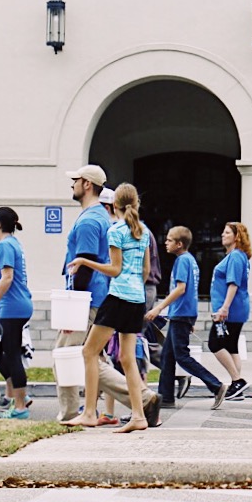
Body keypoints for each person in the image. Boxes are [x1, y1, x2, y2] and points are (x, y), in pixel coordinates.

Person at [71, 183, 156, 432]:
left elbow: (115, 269)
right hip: (136, 299)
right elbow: (146, 271)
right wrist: (134, 288)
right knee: (127, 359)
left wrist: (85, 260)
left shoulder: (116, 230)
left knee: (89, 352)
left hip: (118, 297)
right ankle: (138, 416)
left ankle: (89, 413)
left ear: (114, 205)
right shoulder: (143, 231)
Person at [58, 165, 113, 421]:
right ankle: (143, 398)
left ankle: (69, 413)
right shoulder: (98, 216)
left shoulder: (90, 220)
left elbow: (85, 264)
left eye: (75, 180)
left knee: (66, 355)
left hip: (85, 299)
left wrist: (73, 309)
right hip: (94, 298)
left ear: (87, 184)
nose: (72, 184)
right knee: (89, 357)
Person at [150, 226, 227, 408]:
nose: (165, 243)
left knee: (182, 356)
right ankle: (166, 397)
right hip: (184, 313)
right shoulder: (190, 260)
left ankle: (216, 386)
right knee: (168, 357)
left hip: (180, 314)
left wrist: (159, 307)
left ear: (179, 244)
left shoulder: (182, 261)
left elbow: (181, 288)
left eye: (169, 240)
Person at [0, 205, 35, 420]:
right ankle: (19, 397)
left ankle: (20, 406)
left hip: (13, 307)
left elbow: (6, 278)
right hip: (18, 305)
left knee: (11, 355)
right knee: (1, 354)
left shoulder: (3, 246)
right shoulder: (13, 244)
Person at [208, 222, 251, 398]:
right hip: (235, 308)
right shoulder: (238, 256)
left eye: (227, 232)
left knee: (215, 344)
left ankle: (237, 381)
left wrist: (224, 308)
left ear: (236, 236)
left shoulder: (235, 256)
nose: (222, 235)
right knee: (231, 347)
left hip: (231, 310)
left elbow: (233, 284)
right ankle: (237, 386)